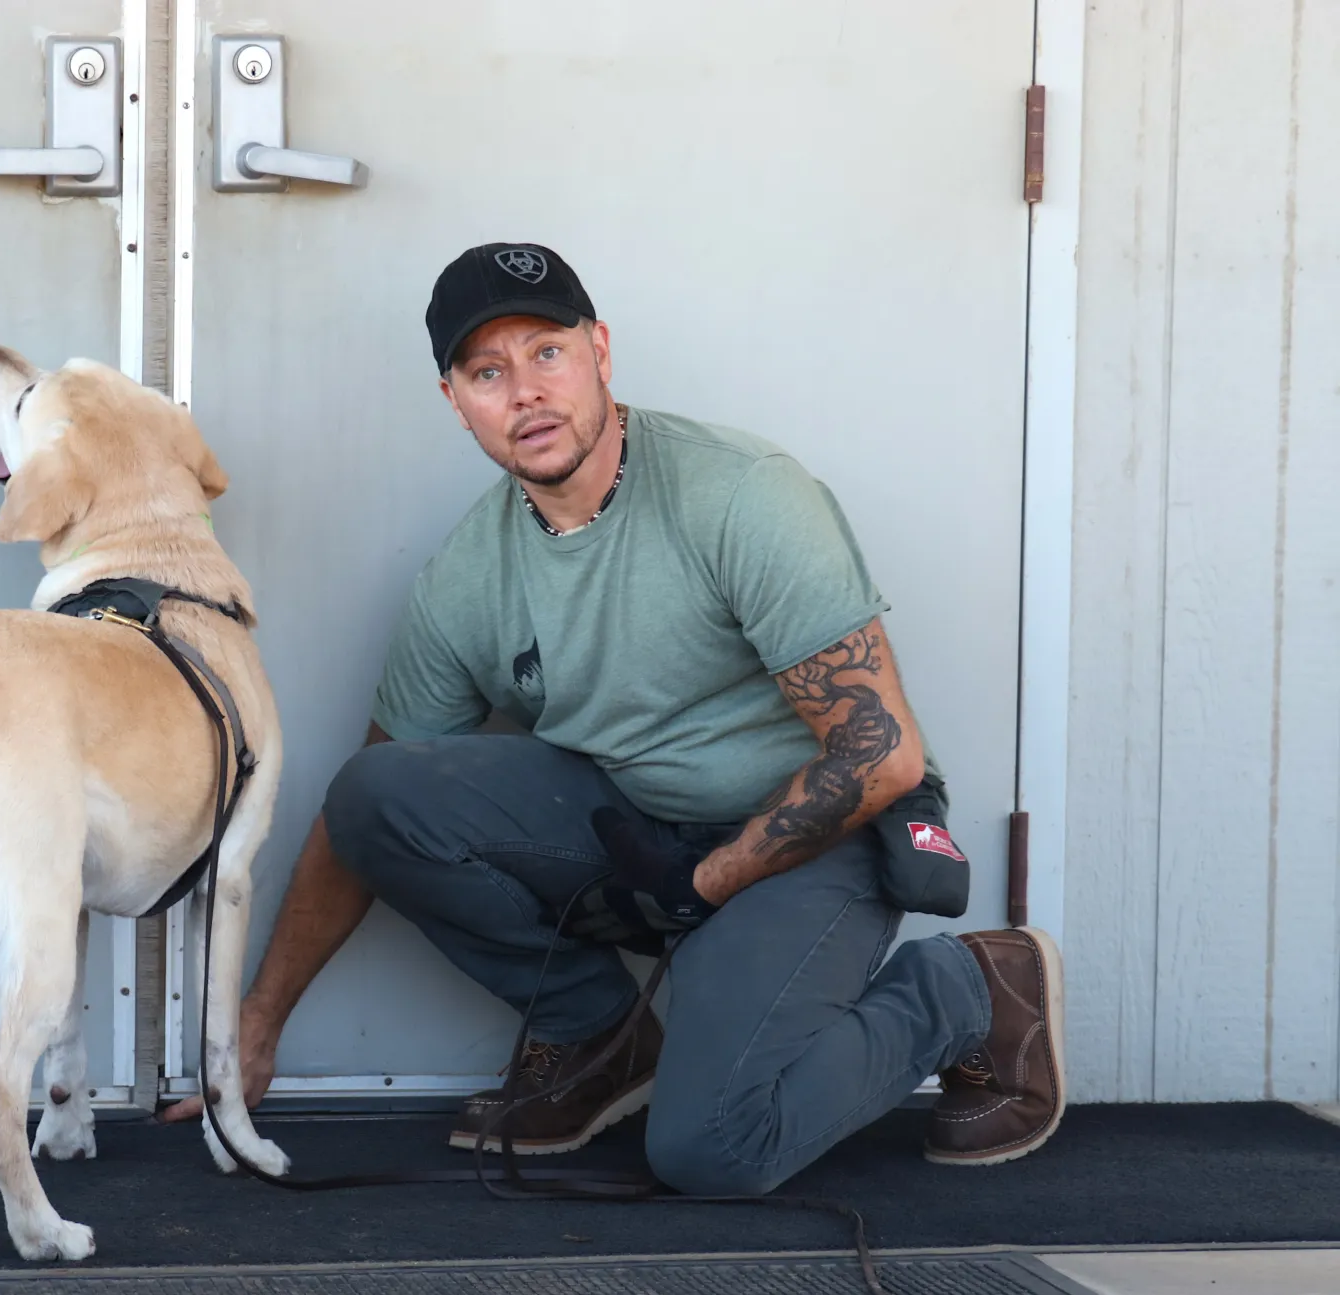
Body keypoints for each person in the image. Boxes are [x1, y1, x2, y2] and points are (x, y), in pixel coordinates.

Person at [164, 243, 1065, 1195]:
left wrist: (707, 881)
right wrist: (255, 1027)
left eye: (547, 352)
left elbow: (878, 754)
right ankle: (598, 1039)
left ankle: (972, 988)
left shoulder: (742, 494)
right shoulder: (467, 578)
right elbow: (361, 823)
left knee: (715, 1149)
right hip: (639, 832)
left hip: (816, 831)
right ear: (455, 400)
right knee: (378, 794)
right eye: (487, 372)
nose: (526, 394)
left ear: (599, 350)